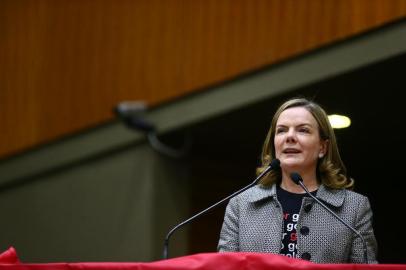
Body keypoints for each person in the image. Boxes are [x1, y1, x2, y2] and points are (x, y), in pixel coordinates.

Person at [217, 97, 378, 263]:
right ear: (274, 144)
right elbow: (223, 267)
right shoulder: (240, 205)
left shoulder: (354, 208)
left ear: (322, 147)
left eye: (303, 130)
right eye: (281, 130)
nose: (290, 137)